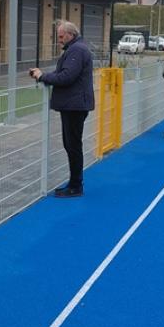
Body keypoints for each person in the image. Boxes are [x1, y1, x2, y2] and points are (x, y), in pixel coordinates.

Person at [29, 21, 94, 197]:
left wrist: (43, 76)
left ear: (70, 35)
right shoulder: (76, 49)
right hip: (74, 104)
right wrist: (45, 75)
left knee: (73, 145)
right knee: (71, 144)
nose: (59, 40)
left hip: (75, 105)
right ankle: (74, 183)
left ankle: (76, 186)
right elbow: (65, 73)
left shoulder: (77, 50)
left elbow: (67, 76)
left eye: (61, 36)